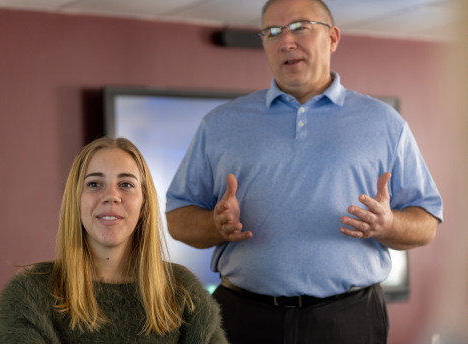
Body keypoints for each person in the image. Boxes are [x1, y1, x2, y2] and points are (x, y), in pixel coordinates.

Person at [165, 0, 443, 343]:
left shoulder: (385, 123)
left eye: (299, 27)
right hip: (241, 316)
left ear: (333, 38)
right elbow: (177, 216)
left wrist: (388, 225)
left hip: (348, 318)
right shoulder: (220, 124)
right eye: (272, 32)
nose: (285, 42)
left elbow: (427, 221)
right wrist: (214, 224)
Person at [0, 137, 228, 343]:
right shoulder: (29, 294)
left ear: (144, 203)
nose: (111, 196)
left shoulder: (184, 291)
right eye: (94, 184)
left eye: (126, 185)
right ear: (76, 200)